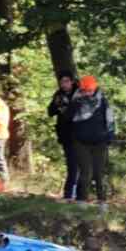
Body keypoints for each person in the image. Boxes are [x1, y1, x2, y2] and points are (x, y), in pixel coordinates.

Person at [69, 75, 115, 206]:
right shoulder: (76, 101)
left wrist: (109, 136)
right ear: (81, 89)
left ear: (94, 88)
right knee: (86, 173)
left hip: (100, 142)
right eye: (85, 90)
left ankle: (102, 202)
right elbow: (68, 118)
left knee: (99, 173)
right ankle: (82, 202)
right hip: (80, 142)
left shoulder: (103, 102)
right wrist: (74, 104)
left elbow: (110, 119)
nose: (88, 93)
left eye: (90, 90)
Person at [48, 70, 81, 199]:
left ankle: (78, 194)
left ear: (72, 82)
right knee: (72, 165)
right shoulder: (58, 94)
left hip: (80, 134)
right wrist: (57, 105)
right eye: (61, 82)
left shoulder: (79, 94)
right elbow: (50, 111)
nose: (64, 84)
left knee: (81, 165)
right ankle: (69, 195)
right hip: (66, 135)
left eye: (66, 81)